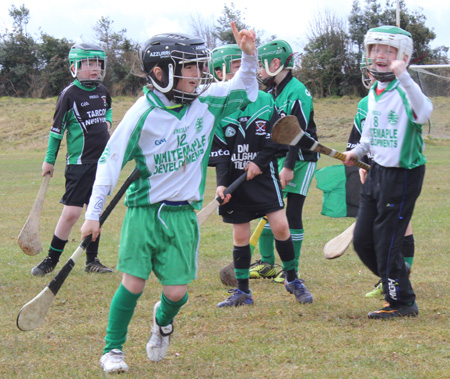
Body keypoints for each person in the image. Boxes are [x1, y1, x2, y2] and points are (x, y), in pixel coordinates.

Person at [80, 24, 259, 374]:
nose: (198, 74)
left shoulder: (206, 102)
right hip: (143, 213)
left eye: (198, 66)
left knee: (176, 293)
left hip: (183, 216)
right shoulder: (141, 114)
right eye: (188, 67)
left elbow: (247, 90)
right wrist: (93, 213)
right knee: (133, 283)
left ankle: (162, 324)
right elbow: (109, 162)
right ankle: (112, 350)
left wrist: (250, 56)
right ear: (161, 73)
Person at [209, 44, 311, 307]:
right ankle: (243, 291)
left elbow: (281, 138)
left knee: (280, 225)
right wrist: (221, 184)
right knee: (241, 236)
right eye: (235, 68)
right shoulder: (219, 110)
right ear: (219, 73)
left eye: (243, 66)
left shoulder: (266, 101)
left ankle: (292, 278)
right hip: (235, 181)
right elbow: (219, 153)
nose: (242, 72)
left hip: (264, 176)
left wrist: (259, 162)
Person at [343, 26, 432, 319]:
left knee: (386, 239)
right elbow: (368, 137)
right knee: (363, 241)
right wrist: (356, 153)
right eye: (375, 49)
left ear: (403, 56)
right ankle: (397, 278)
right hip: (377, 171)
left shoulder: (406, 89)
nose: (380, 55)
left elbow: (424, 112)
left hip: (403, 174)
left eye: (388, 50)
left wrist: (404, 75)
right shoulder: (373, 94)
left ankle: (402, 301)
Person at [31, 43, 113, 276]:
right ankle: (51, 260)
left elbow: (108, 110)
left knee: (94, 211)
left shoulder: (102, 91)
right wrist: (49, 160)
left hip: (101, 164)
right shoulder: (69, 95)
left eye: (98, 63)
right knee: (71, 214)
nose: (95, 69)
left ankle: (92, 260)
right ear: (74, 67)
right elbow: (56, 131)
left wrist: (108, 123)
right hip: (78, 165)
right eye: (88, 63)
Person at [250, 39, 318, 301]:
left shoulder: (297, 91)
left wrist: (288, 166)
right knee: (269, 208)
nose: (257, 70)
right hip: (277, 158)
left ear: (275, 63)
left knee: (292, 212)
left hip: (300, 158)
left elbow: (296, 132)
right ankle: (268, 264)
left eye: (260, 64)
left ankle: (293, 270)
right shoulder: (274, 92)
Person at [347, 56, 416, 299]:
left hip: (398, 171)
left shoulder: (403, 96)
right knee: (368, 236)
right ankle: (393, 277)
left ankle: (399, 279)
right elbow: (358, 140)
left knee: (398, 225)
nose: (372, 71)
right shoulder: (366, 102)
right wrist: (361, 164)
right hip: (373, 170)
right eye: (369, 66)